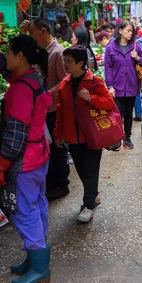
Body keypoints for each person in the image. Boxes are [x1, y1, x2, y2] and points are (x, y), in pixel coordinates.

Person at [0, 31, 52, 283]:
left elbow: (15, 137)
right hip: (40, 155)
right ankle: (34, 257)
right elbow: (9, 72)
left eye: (8, 52)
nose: (5, 57)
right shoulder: (33, 77)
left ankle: (40, 267)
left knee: (23, 211)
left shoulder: (20, 91)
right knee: (37, 205)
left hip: (25, 161)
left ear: (20, 56)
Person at [54, 46, 114, 223]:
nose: (65, 65)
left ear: (81, 63)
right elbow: (61, 111)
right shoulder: (64, 85)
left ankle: (88, 205)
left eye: (69, 61)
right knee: (81, 170)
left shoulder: (94, 81)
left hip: (92, 136)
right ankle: (93, 195)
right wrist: (58, 134)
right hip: (73, 138)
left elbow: (109, 103)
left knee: (91, 171)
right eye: (64, 61)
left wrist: (91, 98)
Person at [19, 19, 70, 201]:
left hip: (53, 108)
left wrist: (49, 94)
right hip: (42, 109)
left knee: (57, 146)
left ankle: (62, 184)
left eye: (33, 34)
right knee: (47, 148)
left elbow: (66, 80)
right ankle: (51, 183)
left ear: (42, 31)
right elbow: (22, 54)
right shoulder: (41, 52)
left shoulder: (57, 53)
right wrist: (23, 34)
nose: (32, 38)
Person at [104, 21, 142, 149]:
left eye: (132, 31)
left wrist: (137, 58)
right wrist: (110, 86)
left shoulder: (135, 46)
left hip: (131, 86)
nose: (130, 33)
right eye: (128, 30)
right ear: (120, 31)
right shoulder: (111, 47)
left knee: (128, 114)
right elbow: (108, 68)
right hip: (117, 86)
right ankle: (116, 139)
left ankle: (127, 137)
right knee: (117, 115)